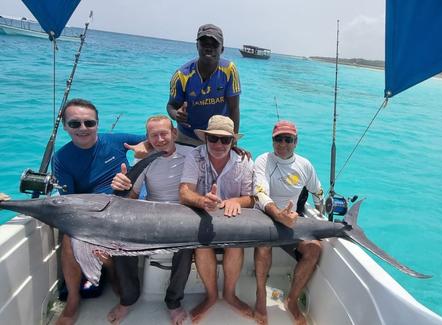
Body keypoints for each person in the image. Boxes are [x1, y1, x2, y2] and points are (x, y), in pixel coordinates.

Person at [52, 98, 148, 325]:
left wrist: (146, 147)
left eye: (89, 123)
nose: (83, 128)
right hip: (88, 210)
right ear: (65, 126)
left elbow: (162, 138)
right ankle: (73, 300)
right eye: (75, 124)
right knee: (69, 237)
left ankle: (113, 272)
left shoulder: (116, 140)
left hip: (125, 206)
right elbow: (69, 201)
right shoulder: (62, 158)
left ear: (97, 124)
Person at [108, 115, 194, 325]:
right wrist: (120, 186)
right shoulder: (143, 159)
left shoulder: (192, 154)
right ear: (148, 138)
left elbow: (218, 152)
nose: (160, 139)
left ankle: (173, 301)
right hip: (152, 213)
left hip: (183, 213)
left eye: (164, 133)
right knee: (120, 242)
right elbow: (132, 198)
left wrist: (238, 149)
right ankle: (129, 298)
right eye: (153, 135)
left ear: (174, 133)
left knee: (186, 247)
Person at [179, 115, 254, 323]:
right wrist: (202, 201)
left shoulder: (245, 161)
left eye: (225, 140)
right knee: (202, 245)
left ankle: (229, 294)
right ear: (205, 139)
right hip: (204, 216)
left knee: (235, 244)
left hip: (232, 219)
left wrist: (237, 201)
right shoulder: (195, 156)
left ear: (233, 142)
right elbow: (184, 193)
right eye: (213, 138)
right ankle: (211, 295)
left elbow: (252, 197)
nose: (219, 144)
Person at [253, 120, 324, 325]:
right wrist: (277, 214)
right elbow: (260, 192)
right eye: (278, 139)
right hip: (266, 217)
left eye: (288, 139)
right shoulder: (263, 160)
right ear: (272, 140)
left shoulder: (305, 165)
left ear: (296, 141)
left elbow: (317, 192)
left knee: (314, 249)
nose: (282, 144)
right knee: (264, 247)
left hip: (292, 222)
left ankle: (292, 299)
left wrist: (321, 211)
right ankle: (260, 296)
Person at [167, 24, 241, 146]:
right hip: (188, 135)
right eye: (204, 44)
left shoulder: (229, 70)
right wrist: (176, 115)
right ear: (197, 46)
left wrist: (233, 141)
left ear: (222, 49)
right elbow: (171, 105)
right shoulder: (181, 75)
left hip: (219, 136)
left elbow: (234, 108)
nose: (209, 48)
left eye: (214, 44)